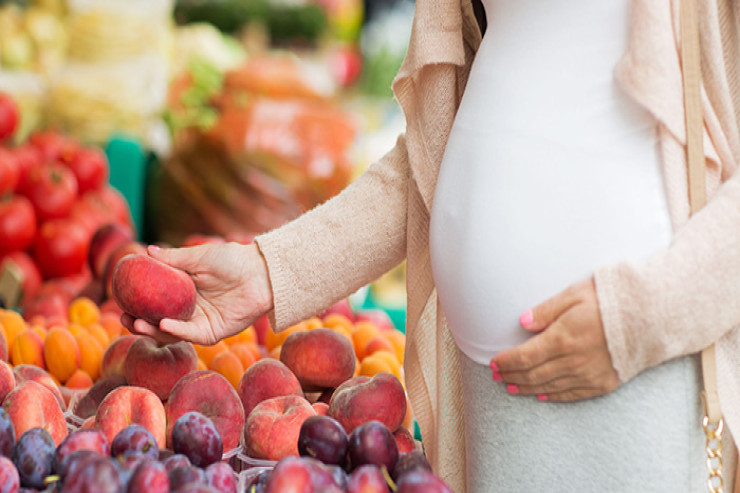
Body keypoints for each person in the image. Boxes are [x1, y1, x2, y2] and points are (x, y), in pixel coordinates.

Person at [124, 0, 740, 491]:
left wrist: (646, 315)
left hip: (636, 363)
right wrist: (269, 269)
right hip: (483, 387)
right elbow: (432, 153)